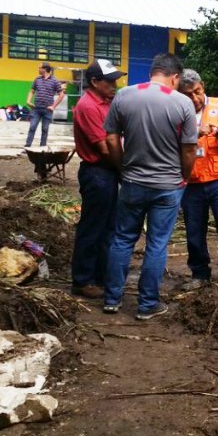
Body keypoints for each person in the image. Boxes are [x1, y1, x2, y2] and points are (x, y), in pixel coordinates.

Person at [103, 53, 198, 321]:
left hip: (133, 182)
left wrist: (122, 168)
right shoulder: (183, 103)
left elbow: (111, 139)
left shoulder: (124, 96)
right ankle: (147, 305)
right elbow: (189, 149)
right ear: (175, 77)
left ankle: (112, 299)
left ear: (153, 72)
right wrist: (185, 177)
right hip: (168, 186)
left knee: (122, 239)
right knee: (157, 244)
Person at [177, 69, 218, 289]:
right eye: (188, 95)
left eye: (197, 92)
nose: (194, 98)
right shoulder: (177, 111)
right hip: (192, 182)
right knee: (194, 229)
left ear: (203, 86)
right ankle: (199, 274)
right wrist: (195, 133)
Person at [70, 59, 124, 299]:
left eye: (115, 80)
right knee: (93, 227)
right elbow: (104, 147)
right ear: (94, 81)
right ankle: (82, 280)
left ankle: (101, 276)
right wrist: (126, 170)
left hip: (109, 172)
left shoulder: (107, 103)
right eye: (109, 81)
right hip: (98, 172)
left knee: (108, 226)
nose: (114, 85)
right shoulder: (88, 107)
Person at [25, 62, 65, 148]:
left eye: (40, 68)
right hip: (36, 109)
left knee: (45, 129)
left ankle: (42, 148)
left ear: (45, 69)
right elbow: (32, 91)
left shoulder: (54, 81)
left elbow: (61, 94)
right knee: (32, 127)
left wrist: (53, 106)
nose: (38, 69)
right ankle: (27, 147)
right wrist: (28, 101)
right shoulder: (37, 79)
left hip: (48, 110)